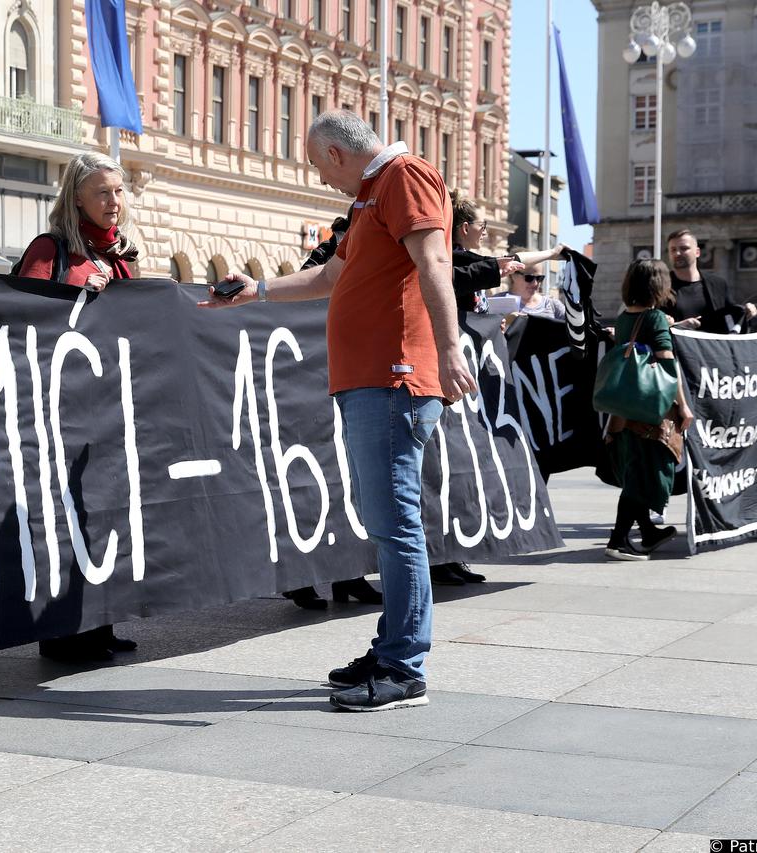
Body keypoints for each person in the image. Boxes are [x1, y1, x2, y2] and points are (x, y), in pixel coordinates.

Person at [201, 110, 478, 711]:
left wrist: (452, 347)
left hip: (394, 378)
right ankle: (392, 649)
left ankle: (404, 667)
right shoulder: (371, 197)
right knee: (387, 523)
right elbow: (334, 274)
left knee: (396, 524)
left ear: (334, 154)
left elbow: (434, 264)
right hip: (369, 382)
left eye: (318, 168)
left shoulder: (405, 177)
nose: (323, 183)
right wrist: (259, 291)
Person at [15, 152, 141, 662]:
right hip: (60, 407)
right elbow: (21, 311)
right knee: (62, 517)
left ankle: (100, 622)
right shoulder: (52, 249)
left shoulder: (123, 255)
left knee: (105, 513)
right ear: (76, 199)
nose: (114, 202)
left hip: (112, 405)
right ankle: (62, 633)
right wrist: (78, 296)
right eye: (102, 193)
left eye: (118, 191)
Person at [280, 209, 385, 611]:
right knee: (308, 490)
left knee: (346, 486)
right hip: (309, 388)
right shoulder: (324, 261)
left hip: (347, 383)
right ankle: (299, 578)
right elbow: (298, 305)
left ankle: (349, 573)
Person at [603, 259, 693, 561]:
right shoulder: (654, 318)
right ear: (658, 284)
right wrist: (683, 406)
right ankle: (617, 542)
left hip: (626, 411)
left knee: (637, 474)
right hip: (651, 411)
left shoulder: (625, 316)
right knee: (645, 478)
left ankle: (648, 531)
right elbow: (668, 364)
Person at [665, 230, 756, 333]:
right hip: (678, 347)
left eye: (684, 248)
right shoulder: (662, 287)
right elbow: (651, 324)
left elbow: (732, 316)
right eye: (673, 250)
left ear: (697, 252)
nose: (677, 253)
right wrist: (679, 325)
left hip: (713, 347)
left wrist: (747, 312)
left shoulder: (717, 284)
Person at [504, 247, 567, 321]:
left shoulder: (553, 305)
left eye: (539, 278)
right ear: (512, 275)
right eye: (529, 278)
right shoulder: (497, 303)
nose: (535, 283)